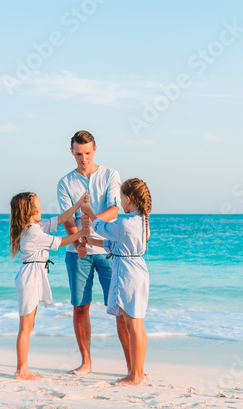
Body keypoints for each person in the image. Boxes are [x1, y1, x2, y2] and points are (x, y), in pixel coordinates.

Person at [57, 130, 130, 375]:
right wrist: (79, 241)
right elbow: (68, 219)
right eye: (78, 154)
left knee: (119, 307)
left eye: (87, 153)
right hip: (77, 252)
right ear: (72, 152)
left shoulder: (110, 175)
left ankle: (133, 365)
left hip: (108, 248)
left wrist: (93, 225)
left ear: (94, 149)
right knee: (80, 306)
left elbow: (114, 209)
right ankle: (86, 362)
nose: (83, 159)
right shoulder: (65, 183)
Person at [10, 190, 90, 380]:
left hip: (35, 275)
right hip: (30, 277)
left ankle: (23, 368)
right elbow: (61, 241)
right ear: (29, 210)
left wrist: (79, 203)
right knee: (26, 326)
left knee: (29, 325)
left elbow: (61, 219)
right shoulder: (33, 232)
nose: (42, 208)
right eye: (38, 206)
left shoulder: (35, 227)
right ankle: (22, 370)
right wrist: (82, 233)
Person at [81, 177, 152, 386]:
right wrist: (91, 242)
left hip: (127, 273)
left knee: (133, 324)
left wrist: (89, 212)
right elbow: (114, 244)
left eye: (121, 198)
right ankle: (137, 371)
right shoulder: (142, 222)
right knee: (138, 324)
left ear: (129, 199)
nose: (120, 203)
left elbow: (102, 227)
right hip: (138, 270)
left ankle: (135, 376)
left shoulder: (125, 223)